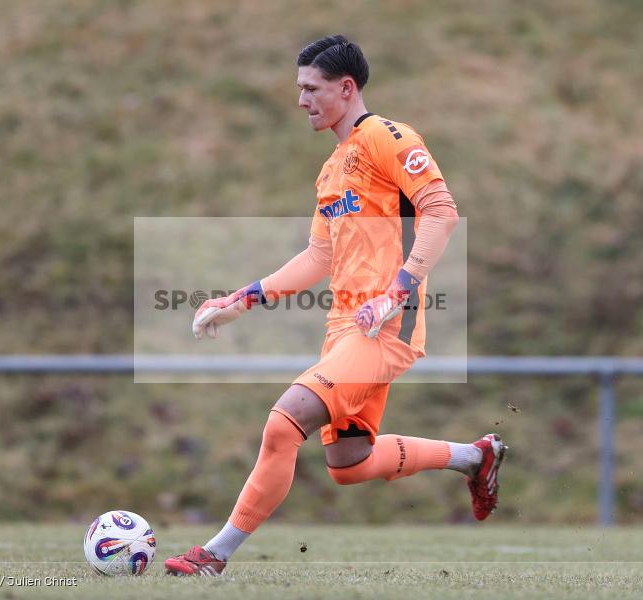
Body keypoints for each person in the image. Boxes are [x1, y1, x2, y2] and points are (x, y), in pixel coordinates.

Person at [164, 35, 507, 577]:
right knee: (349, 463)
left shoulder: (388, 137)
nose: (301, 99)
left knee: (283, 425)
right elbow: (319, 255)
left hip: (385, 327)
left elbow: (440, 212)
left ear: (346, 89)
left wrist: (398, 289)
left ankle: (214, 555)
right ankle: (473, 456)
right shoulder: (331, 169)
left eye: (311, 88)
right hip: (346, 326)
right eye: (299, 88)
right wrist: (243, 299)